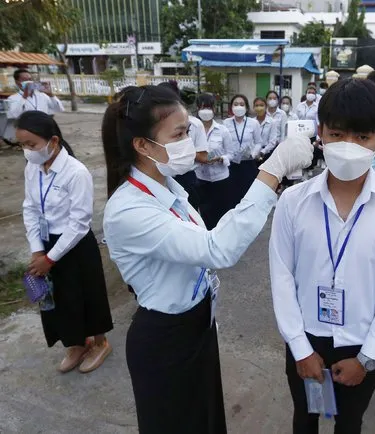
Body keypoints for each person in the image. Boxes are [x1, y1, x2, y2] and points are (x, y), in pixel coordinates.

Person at [101, 85, 313, 434]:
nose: (191, 140)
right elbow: (217, 248)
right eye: (180, 133)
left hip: (196, 323)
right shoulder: (128, 209)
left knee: (205, 418)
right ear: (142, 144)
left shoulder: (167, 185)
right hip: (166, 338)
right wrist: (272, 170)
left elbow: (206, 242)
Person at [269, 78, 375, 434]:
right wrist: (300, 348)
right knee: (304, 419)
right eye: (337, 135)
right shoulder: (292, 201)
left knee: (348, 423)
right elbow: (281, 277)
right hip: (306, 337)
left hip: (362, 342)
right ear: (320, 132)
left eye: (363, 137)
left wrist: (367, 358)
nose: (348, 147)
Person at [19, 110, 113, 373]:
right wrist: (38, 249)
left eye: (32, 145)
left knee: (86, 297)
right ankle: (75, 345)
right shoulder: (32, 168)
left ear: (54, 141)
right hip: (47, 246)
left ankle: (100, 343)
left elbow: (80, 223)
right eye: (23, 145)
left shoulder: (76, 172)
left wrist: (50, 258)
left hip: (76, 245)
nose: (27, 151)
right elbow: (30, 209)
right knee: (58, 300)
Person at [157, 81, 207, 210]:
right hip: (159, 176)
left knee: (189, 215)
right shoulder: (152, 126)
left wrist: (184, 151)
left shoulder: (195, 124)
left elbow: (203, 157)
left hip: (186, 177)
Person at [193, 93, 237, 229]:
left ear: (214, 109)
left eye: (209, 107)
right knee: (205, 214)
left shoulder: (222, 130)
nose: (206, 111)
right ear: (197, 109)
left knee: (223, 213)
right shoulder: (192, 130)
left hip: (221, 179)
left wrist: (222, 158)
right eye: (202, 107)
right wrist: (197, 158)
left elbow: (231, 153)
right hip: (201, 179)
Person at [5, 69, 65, 145]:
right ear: (18, 83)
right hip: (29, 131)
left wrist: (51, 95)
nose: (29, 82)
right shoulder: (13, 98)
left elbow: (59, 109)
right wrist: (24, 97)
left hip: (46, 129)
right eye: (24, 80)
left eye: (30, 79)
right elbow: (15, 114)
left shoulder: (42, 95)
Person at [224, 94, 263, 207]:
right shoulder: (226, 123)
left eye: (242, 104)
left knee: (248, 194)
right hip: (231, 165)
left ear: (246, 107)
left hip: (248, 163)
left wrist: (253, 153)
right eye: (236, 104)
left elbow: (259, 142)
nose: (238, 107)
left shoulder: (253, 123)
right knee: (232, 195)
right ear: (231, 107)